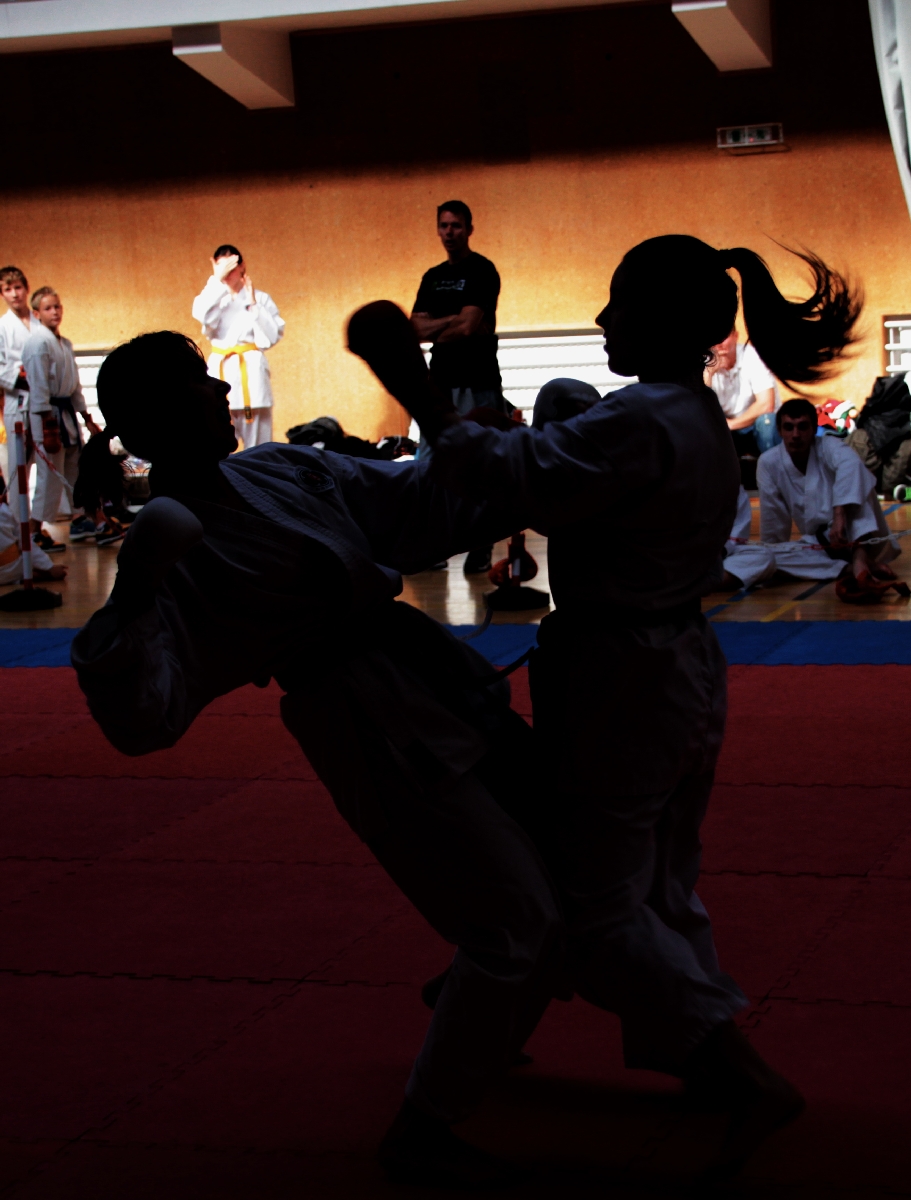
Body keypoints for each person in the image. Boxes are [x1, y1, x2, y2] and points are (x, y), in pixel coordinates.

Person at [348, 233, 861, 1178]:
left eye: (616, 304)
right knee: (660, 879)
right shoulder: (688, 414)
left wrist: (408, 382)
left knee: (595, 906)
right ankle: (692, 1056)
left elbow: (515, 477)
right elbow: (540, 465)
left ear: (659, 322)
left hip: (623, 679)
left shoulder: (644, 419)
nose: (599, 318)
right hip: (674, 665)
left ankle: (738, 1071)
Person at [70, 330, 561, 1189]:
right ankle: (422, 1128)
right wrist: (136, 589)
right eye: (199, 383)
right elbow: (142, 720)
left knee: (570, 861)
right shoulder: (171, 548)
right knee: (518, 920)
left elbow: (410, 503)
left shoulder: (279, 469)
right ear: (152, 421)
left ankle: (466, 995)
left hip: (427, 672)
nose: (222, 392)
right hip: (364, 720)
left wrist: (492, 458)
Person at [412, 201, 507, 574]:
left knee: (479, 460)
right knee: (429, 462)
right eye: (444, 225)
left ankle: (481, 545)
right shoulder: (432, 277)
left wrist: (440, 324)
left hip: (477, 378)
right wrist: (456, 319)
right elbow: (415, 328)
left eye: (456, 225)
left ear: (469, 229)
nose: (449, 232)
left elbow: (468, 329)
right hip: (440, 379)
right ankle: (431, 544)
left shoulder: (482, 270)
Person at [757, 398, 903, 600]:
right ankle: (849, 568)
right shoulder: (768, 462)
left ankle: (860, 560)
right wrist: (775, 552)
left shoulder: (829, 446)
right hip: (820, 545)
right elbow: (773, 518)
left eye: (802, 427)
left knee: (858, 479)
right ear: (780, 431)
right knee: (768, 557)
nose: (796, 435)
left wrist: (839, 514)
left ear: (814, 429)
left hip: (857, 534)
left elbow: (851, 466)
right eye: (789, 428)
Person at [21, 287, 105, 547]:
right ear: (37, 314)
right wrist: (48, 427)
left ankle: (82, 520)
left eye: (57, 306)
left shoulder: (65, 343)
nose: (55, 312)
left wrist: (87, 418)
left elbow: (75, 386)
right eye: (48, 308)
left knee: (75, 471)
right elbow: (38, 387)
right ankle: (34, 530)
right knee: (49, 476)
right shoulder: (38, 343)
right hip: (47, 416)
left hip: (66, 413)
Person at [192, 245, 284, 450]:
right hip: (221, 371)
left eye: (231, 267)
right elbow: (200, 314)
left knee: (259, 447)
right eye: (222, 267)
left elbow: (270, 338)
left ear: (242, 266)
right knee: (218, 438)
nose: (227, 273)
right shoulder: (214, 299)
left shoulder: (260, 298)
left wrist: (253, 304)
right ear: (214, 266)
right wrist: (217, 280)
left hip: (251, 374)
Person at [0, 266, 62, 554]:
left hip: (43, 403)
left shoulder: (40, 323)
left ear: (26, 289)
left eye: (18, 287)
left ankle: (37, 527)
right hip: (18, 401)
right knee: (19, 469)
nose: (14, 294)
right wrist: (20, 375)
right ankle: (18, 531)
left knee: (48, 466)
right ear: (2, 294)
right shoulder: (3, 326)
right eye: (8, 289)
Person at [706, 329, 780, 487]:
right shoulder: (707, 361)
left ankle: (775, 482)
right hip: (728, 431)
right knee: (703, 427)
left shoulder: (752, 356)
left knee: (767, 422)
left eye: (724, 337)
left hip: (754, 426)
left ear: (735, 336)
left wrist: (730, 424)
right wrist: (710, 373)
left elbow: (766, 404)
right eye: (715, 338)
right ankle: (717, 487)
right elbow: (698, 406)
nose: (719, 344)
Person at [0, 493, 67, 585]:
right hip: (11, 570)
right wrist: (49, 567)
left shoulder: (5, 512)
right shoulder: (5, 512)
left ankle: (24, 575)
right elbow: (25, 542)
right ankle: (30, 574)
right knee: (23, 549)